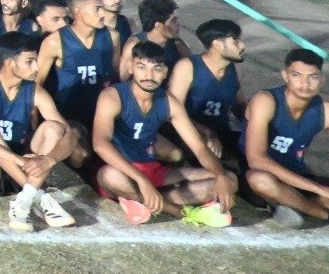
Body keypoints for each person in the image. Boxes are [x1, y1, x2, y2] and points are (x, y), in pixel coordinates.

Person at [92, 40, 235, 227]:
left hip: (153, 170)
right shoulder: (113, 96)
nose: (149, 75)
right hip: (123, 171)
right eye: (142, 67)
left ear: (165, 72)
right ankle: (178, 210)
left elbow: (199, 147)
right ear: (131, 67)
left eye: (156, 69)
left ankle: (140, 201)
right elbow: (100, 144)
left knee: (230, 180)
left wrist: (221, 176)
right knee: (108, 175)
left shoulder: (169, 101)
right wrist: (141, 179)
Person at [0, 31, 77, 231]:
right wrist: (20, 161)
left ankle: (25, 198)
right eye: (30, 61)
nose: (37, 67)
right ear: (11, 64)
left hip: (25, 172)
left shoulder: (35, 90)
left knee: (54, 128)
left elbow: (70, 135)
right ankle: (39, 197)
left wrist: (49, 160)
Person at [240, 48, 329, 229]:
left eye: (312, 77)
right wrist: (319, 189)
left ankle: (289, 205)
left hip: (298, 176)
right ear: (285, 75)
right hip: (258, 175)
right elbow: (257, 160)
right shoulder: (266, 100)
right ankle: (326, 215)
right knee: (260, 180)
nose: (304, 83)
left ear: (321, 80)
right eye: (296, 75)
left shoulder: (328, 110)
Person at [36, 0, 116, 149]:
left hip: (103, 113)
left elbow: (115, 76)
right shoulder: (54, 42)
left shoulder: (112, 37)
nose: (103, 14)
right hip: (70, 115)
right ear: (79, 12)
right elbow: (36, 85)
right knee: (81, 155)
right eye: (97, 9)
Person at [166, 18, 244, 157]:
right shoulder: (187, 67)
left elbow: (239, 107)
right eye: (235, 41)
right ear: (218, 44)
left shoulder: (232, 69)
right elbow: (173, 112)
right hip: (191, 137)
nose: (242, 45)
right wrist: (206, 132)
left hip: (222, 135)